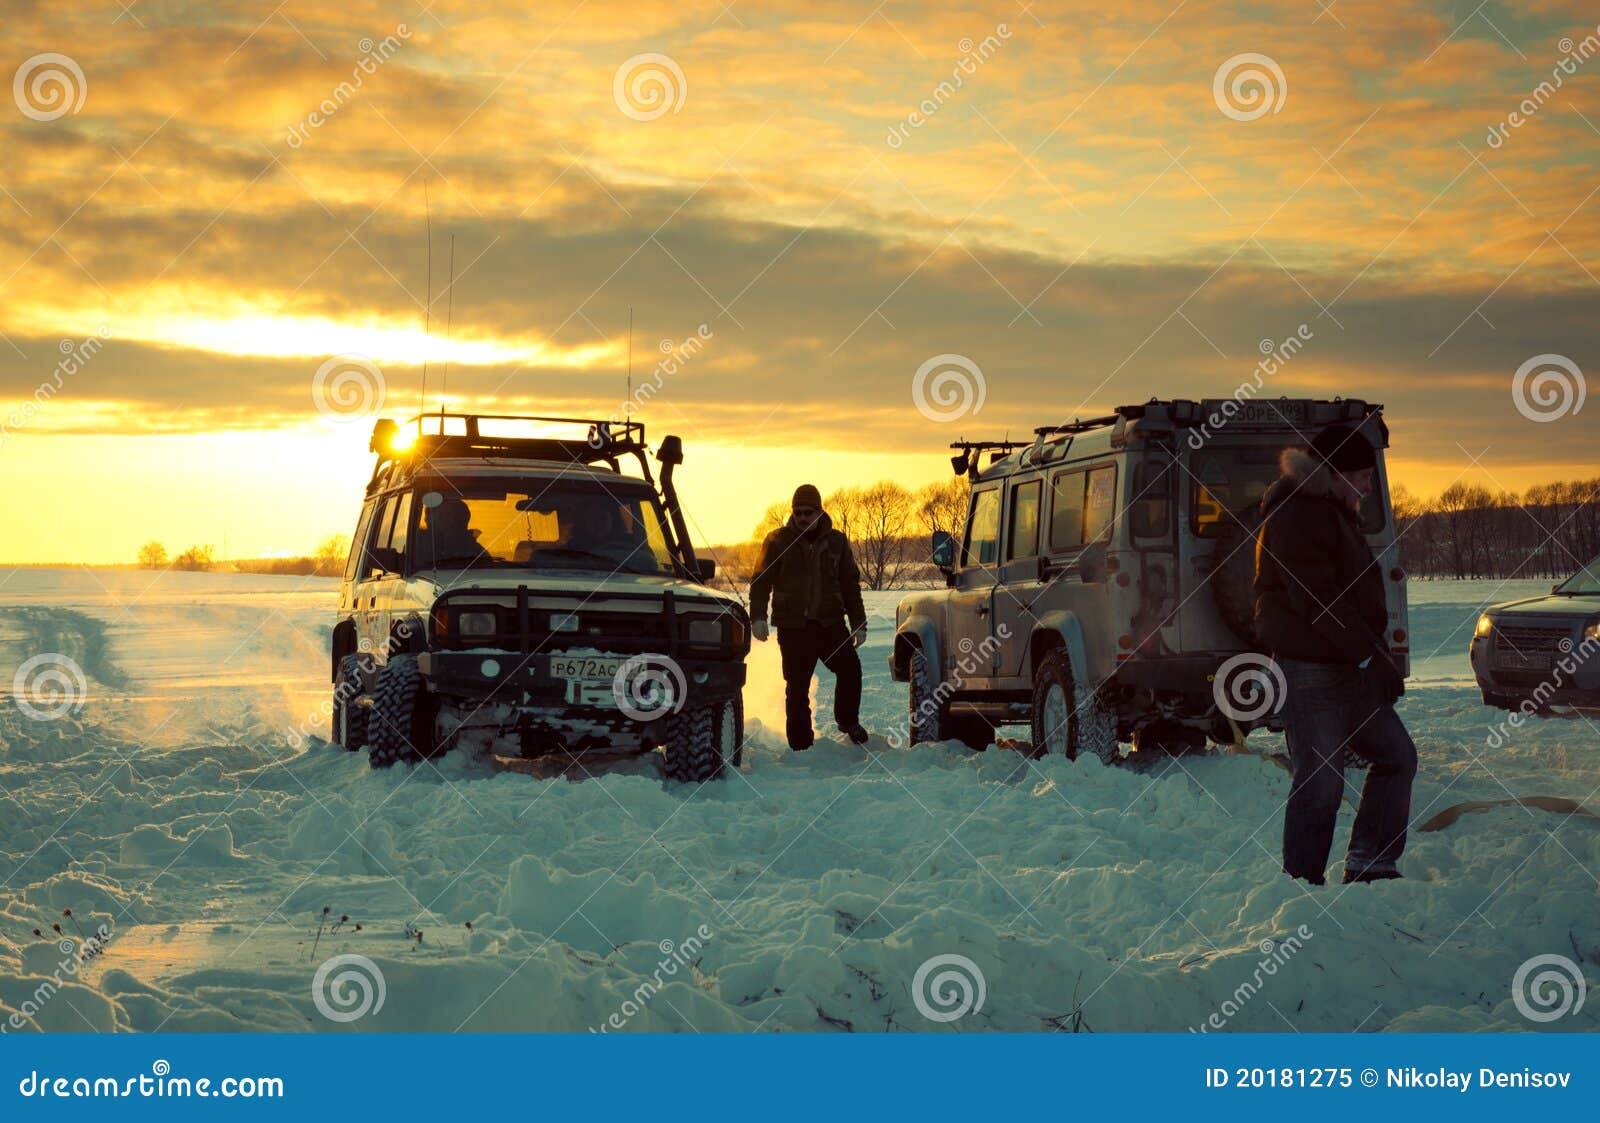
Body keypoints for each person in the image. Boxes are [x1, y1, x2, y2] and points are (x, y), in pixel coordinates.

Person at [1253, 423, 1416, 885]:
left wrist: (1374, 656)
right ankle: (1301, 883)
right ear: (1336, 473)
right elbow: (1317, 599)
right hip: (1311, 669)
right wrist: (1369, 657)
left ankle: (1372, 862)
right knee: (1321, 780)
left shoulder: (1334, 511)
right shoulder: (1297, 515)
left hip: (1349, 663)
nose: (1369, 484)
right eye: (1363, 475)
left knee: (1397, 756)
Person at [749, 484, 869, 749]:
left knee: (850, 669)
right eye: (797, 512)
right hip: (793, 628)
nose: (802, 517)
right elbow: (760, 582)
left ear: (819, 512)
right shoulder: (777, 540)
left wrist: (858, 624)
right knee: (797, 687)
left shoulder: (837, 542)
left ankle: (848, 721)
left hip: (830, 624)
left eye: (808, 512)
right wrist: (757, 616)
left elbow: (850, 586)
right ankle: (801, 746)